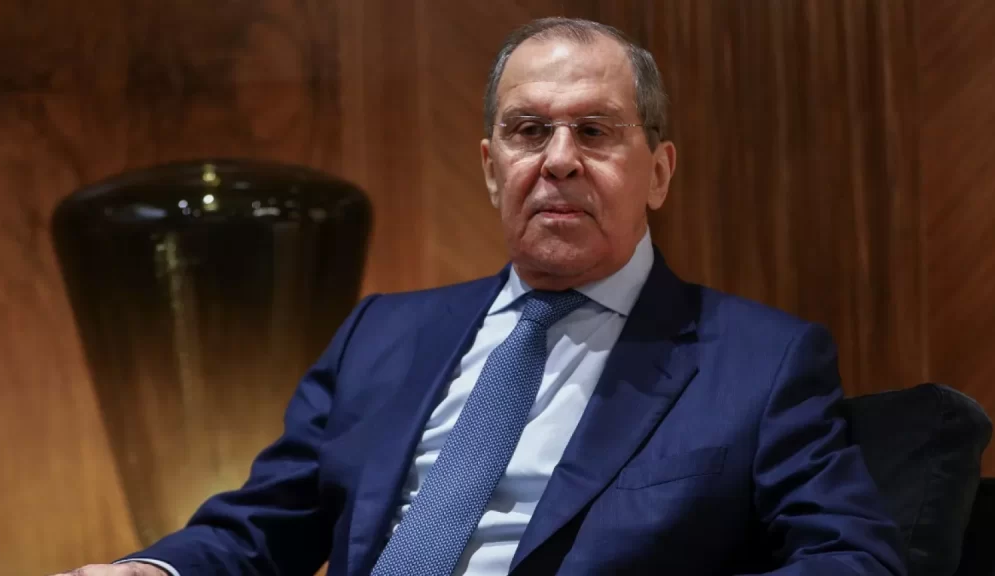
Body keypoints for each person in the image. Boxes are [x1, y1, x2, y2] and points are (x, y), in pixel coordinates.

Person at [55, 17, 906, 576]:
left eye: (595, 131)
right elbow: (265, 525)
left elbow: (851, 558)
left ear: (658, 171)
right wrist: (152, 568)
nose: (559, 159)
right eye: (529, 131)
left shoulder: (759, 361)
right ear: (493, 168)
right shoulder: (382, 334)